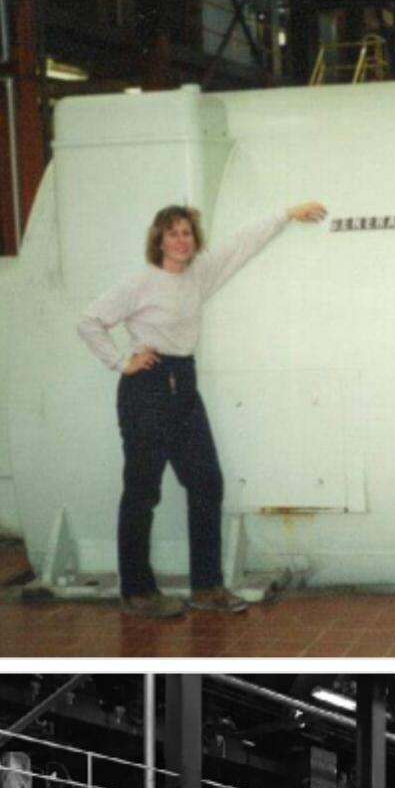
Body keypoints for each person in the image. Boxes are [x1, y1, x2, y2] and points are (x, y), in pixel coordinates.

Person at [78, 200, 327, 618]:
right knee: (143, 491)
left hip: (184, 384)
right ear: (158, 240)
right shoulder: (140, 282)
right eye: (173, 232)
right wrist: (121, 361)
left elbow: (241, 243)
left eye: (187, 232)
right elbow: (89, 320)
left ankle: (207, 587)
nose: (181, 239)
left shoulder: (199, 275)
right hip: (148, 388)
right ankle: (137, 592)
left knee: (207, 483)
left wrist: (286, 214)